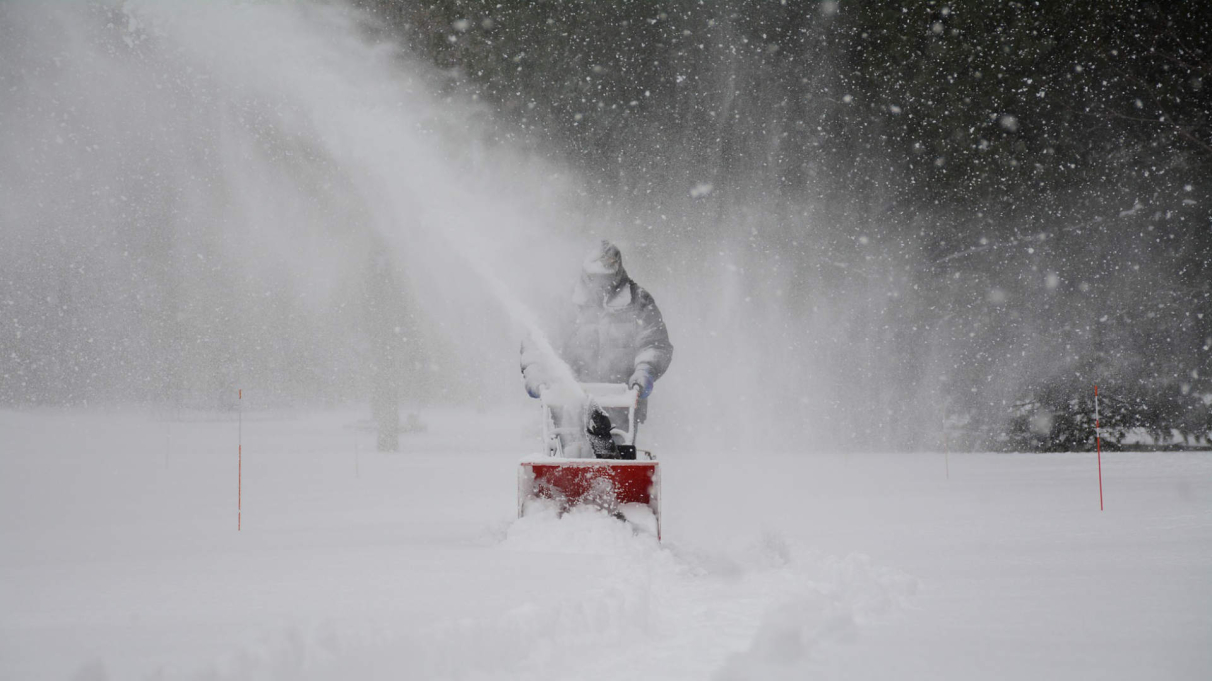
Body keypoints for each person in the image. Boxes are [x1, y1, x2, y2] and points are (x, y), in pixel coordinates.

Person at [521, 240, 673, 453]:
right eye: (596, 278)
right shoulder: (565, 303)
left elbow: (653, 342)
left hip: (621, 401)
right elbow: (539, 343)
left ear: (618, 274)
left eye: (608, 278)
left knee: (614, 458)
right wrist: (536, 373)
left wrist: (644, 373)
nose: (602, 285)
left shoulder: (639, 302)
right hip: (568, 402)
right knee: (573, 455)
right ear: (585, 274)